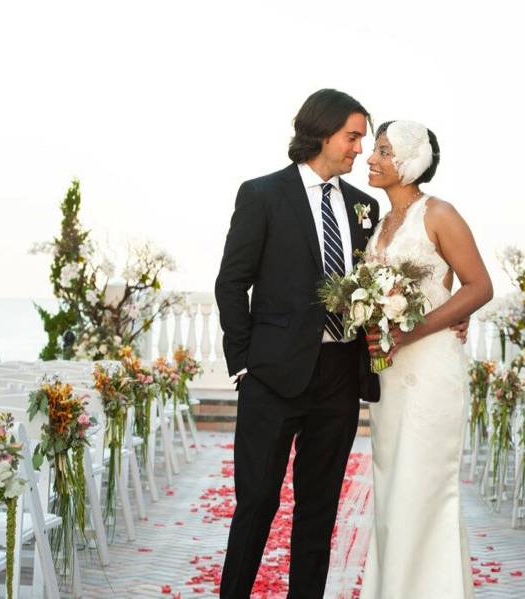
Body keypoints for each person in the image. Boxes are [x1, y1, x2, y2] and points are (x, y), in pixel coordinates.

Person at [214, 88, 380, 599]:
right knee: (257, 504)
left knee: (319, 512)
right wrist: (243, 363)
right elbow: (231, 283)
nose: (359, 149)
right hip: (272, 377)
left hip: (338, 377)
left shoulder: (364, 208)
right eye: (352, 137)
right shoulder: (262, 194)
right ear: (322, 132)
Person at [359, 120, 493, 599]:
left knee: (424, 488)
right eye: (373, 149)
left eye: (383, 150)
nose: (371, 159)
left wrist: (410, 330)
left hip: (430, 369)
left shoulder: (440, 213)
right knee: (392, 489)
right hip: (389, 377)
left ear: (411, 161)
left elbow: (479, 286)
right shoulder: (376, 224)